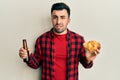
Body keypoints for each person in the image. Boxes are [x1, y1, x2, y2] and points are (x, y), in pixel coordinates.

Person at [19, 2, 100, 80]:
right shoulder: (42, 40)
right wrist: (28, 57)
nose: (58, 21)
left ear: (68, 20)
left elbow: (86, 65)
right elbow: (36, 64)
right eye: (55, 17)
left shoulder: (78, 40)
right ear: (51, 19)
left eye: (62, 17)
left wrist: (89, 60)